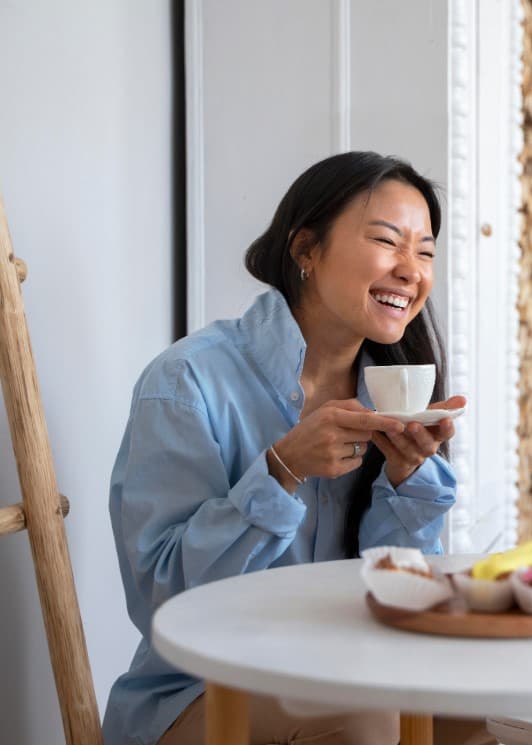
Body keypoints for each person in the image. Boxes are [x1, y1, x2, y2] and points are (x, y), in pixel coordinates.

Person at [103, 151, 469, 745]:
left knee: (500, 713)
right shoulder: (187, 383)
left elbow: (398, 596)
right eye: (388, 241)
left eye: (425, 251)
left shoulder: (394, 389)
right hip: (200, 692)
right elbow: (160, 596)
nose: (412, 270)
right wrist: (281, 471)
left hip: (349, 671)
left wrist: (405, 482)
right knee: (363, 724)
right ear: (305, 250)